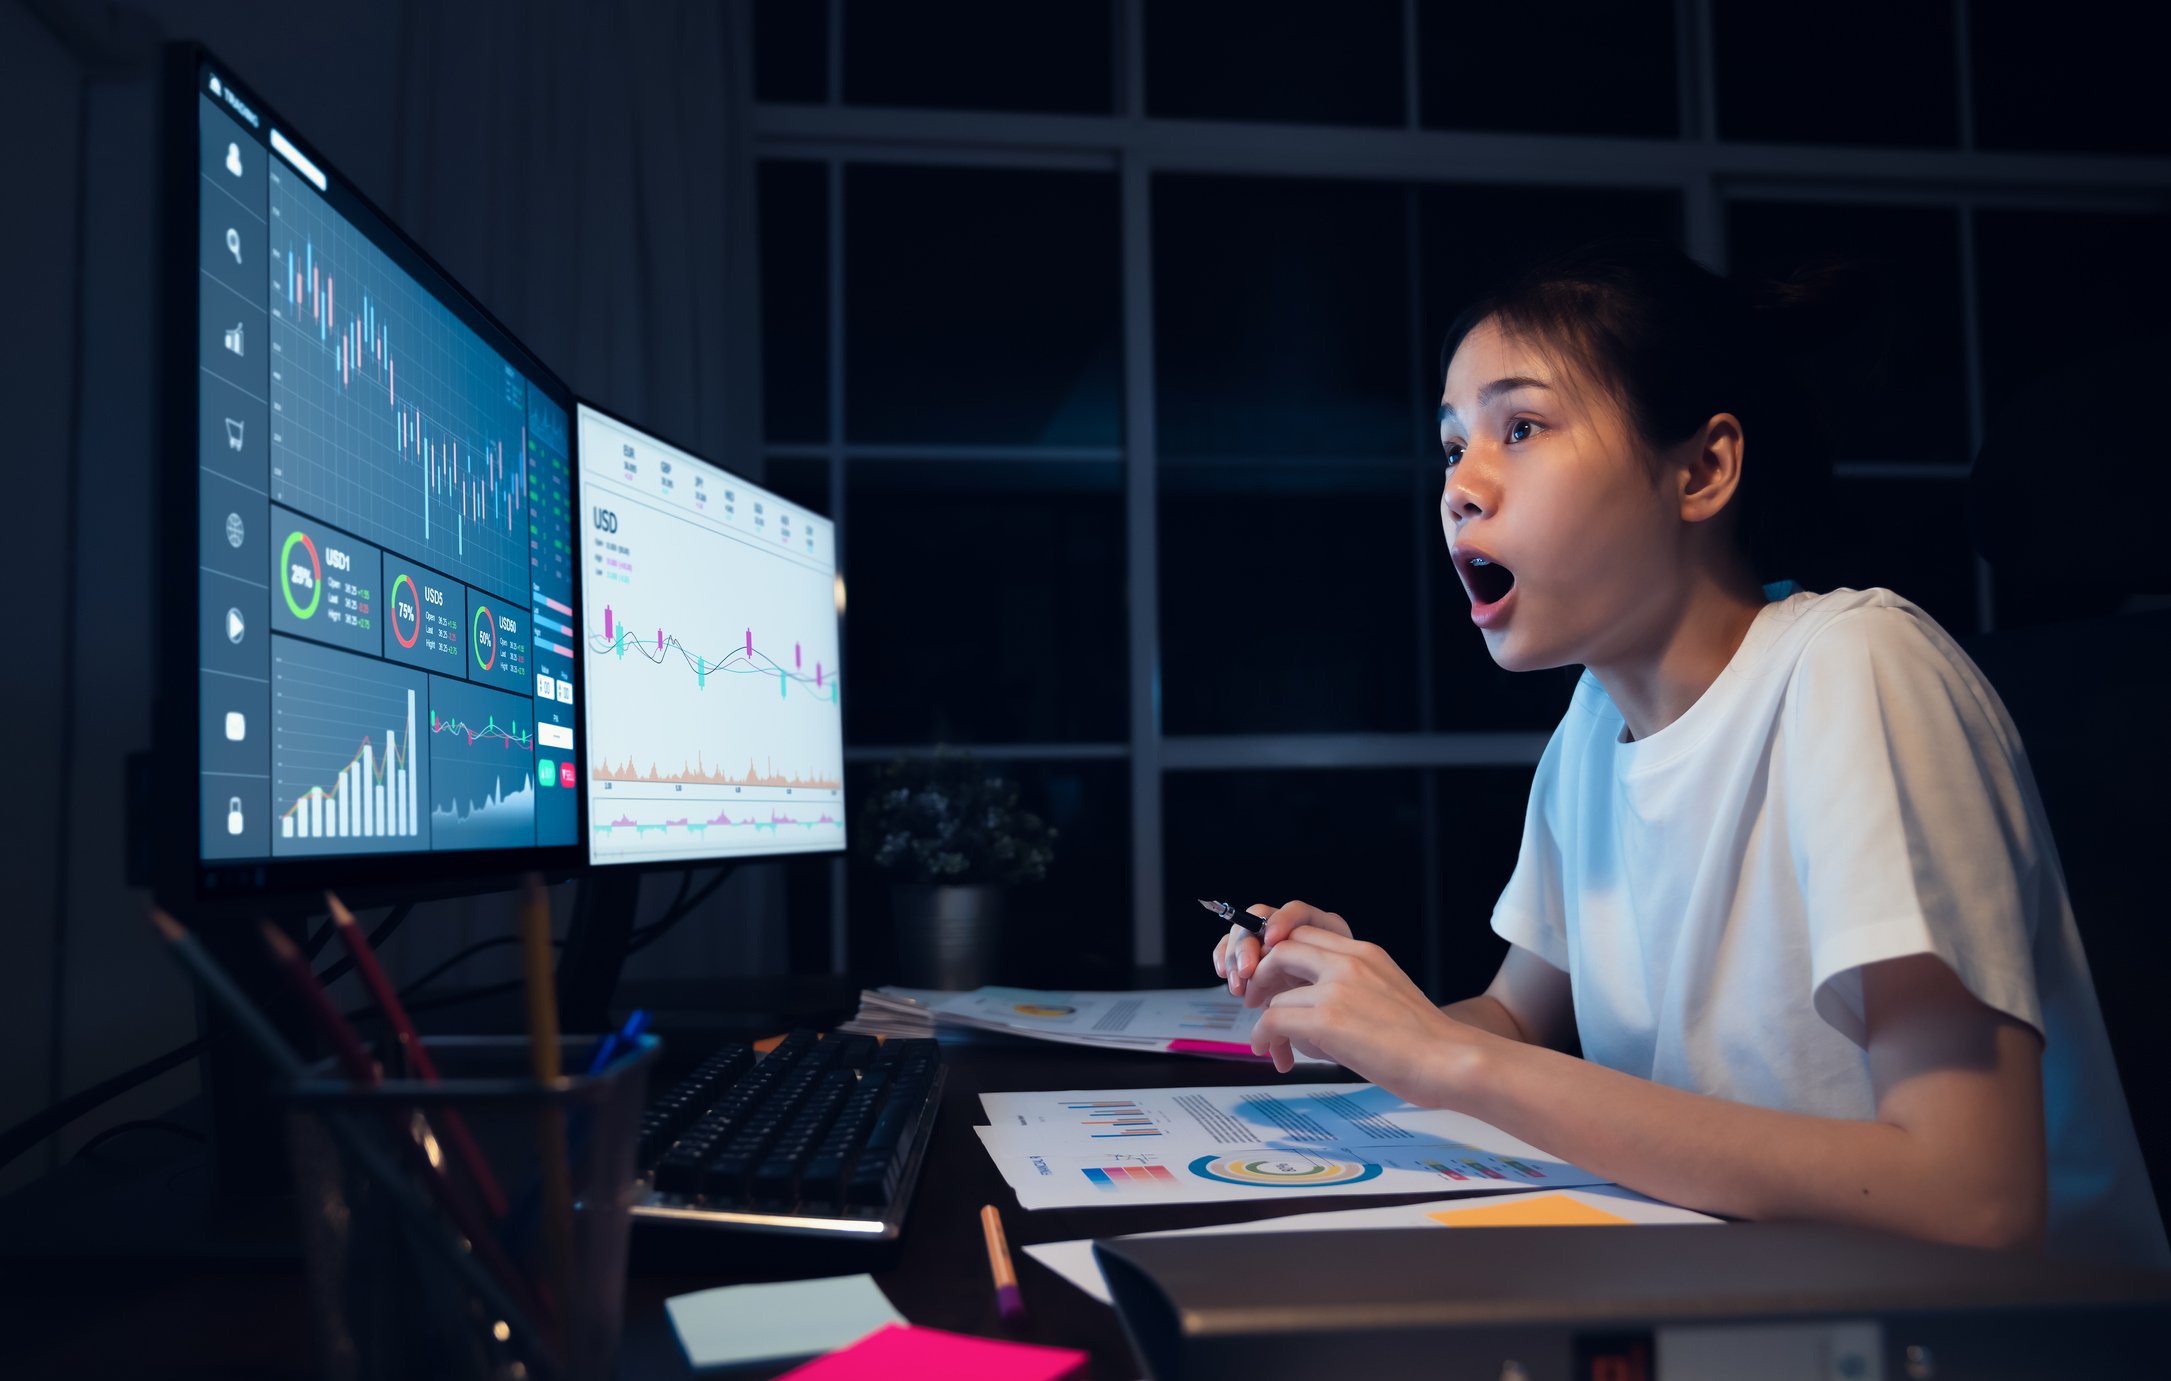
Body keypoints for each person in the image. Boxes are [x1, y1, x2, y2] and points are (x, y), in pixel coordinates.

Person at [1211, 238, 2168, 1269]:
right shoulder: (1591, 724)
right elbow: (1514, 1021)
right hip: (1756, 1287)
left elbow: (1971, 1198)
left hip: (1993, 1334)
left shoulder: (1855, 666)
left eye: (1519, 427)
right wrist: (1360, 1014)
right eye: (1451, 446)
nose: (1458, 488)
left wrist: (1441, 1056)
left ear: (1701, 469)